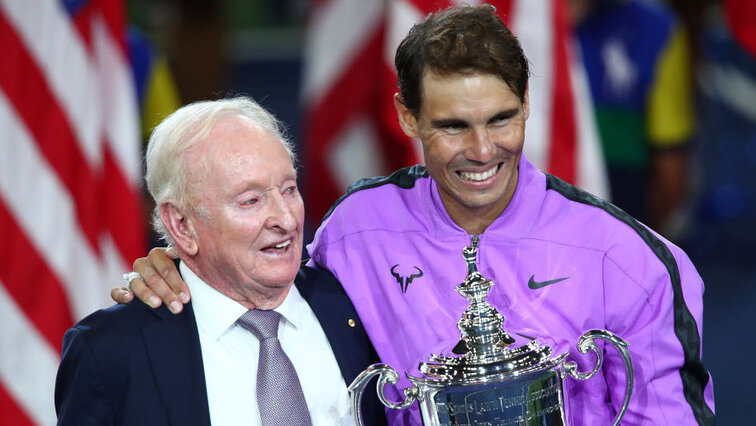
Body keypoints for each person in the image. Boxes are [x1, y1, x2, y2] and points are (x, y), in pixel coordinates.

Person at [114, 5, 715, 425]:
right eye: (454, 125)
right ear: (407, 117)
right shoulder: (355, 232)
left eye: (502, 119)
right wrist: (178, 270)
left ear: (528, 104)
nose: (483, 151)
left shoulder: (636, 260)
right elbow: (262, 302)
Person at [56, 97, 385, 425]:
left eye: (288, 189)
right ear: (182, 225)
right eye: (251, 200)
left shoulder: (356, 305)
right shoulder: (111, 352)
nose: (286, 219)